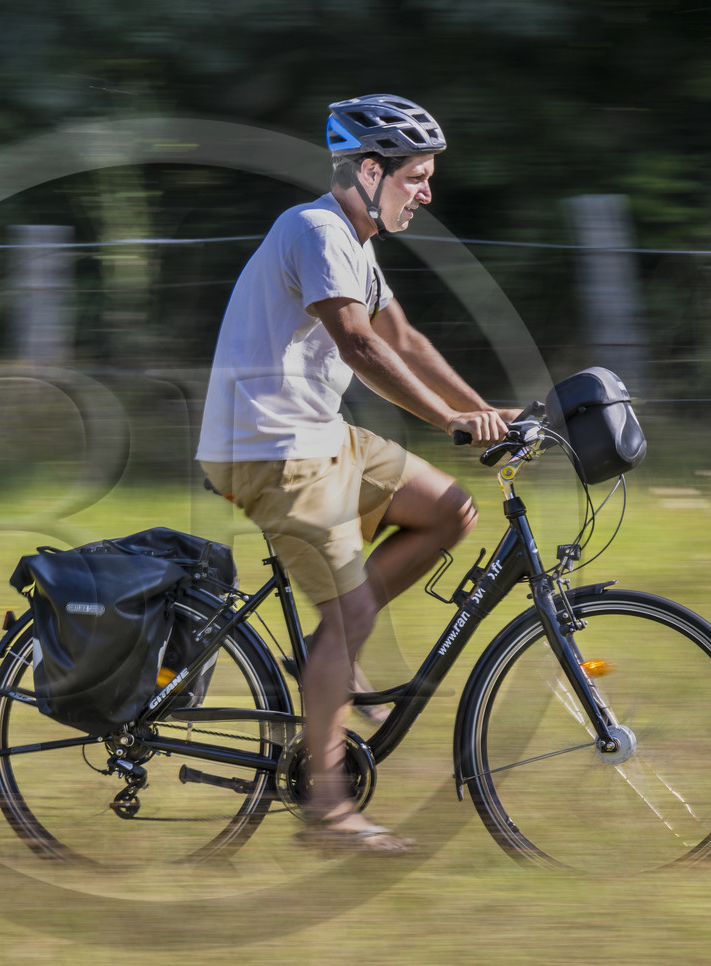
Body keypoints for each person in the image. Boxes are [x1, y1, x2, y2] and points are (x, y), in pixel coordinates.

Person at [197, 94, 517, 852]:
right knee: (349, 617)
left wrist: (490, 413)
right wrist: (450, 422)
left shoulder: (356, 243)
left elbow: (403, 336)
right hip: (267, 447)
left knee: (449, 510)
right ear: (369, 172)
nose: (427, 192)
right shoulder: (314, 230)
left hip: (319, 435)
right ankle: (329, 811)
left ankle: (332, 652)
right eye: (416, 177)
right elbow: (360, 347)